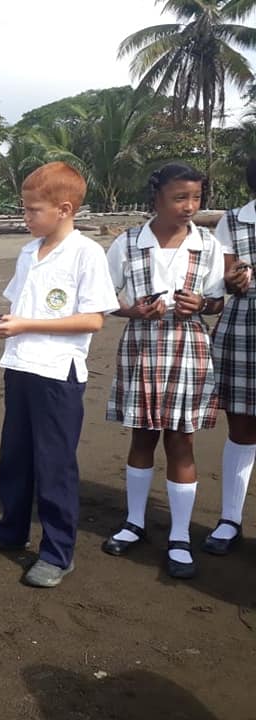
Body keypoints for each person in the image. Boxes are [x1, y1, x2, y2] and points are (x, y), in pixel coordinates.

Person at [0, 161, 118, 588]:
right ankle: (11, 529)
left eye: (33, 210)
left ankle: (57, 550)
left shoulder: (86, 253)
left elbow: (92, 320)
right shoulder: (29, 252)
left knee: (54, 465)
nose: (26, 217)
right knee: (14, 458)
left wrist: (26, 325)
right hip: (19, 366)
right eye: (25, 209)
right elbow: (19, 309)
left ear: (64, 209)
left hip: (58, 374)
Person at [101, 164, 225, 579]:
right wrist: (132, 309)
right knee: (142, 436)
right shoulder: (128, 243)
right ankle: (134, 521)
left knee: (181, 442)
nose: (189, 207)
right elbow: (104, 296)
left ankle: (179, 535)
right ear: (156, 197)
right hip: (141, 345)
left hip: (189, 346)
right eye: (179, 198)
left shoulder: (207, 244)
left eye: (196, 198)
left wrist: (201, 306)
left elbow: (217, 301)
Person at [208, 158, 256, 555]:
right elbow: (224, 277)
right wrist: (232, 279)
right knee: (240, 427)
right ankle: (229, 519)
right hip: (243, 329)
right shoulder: (235, 221)